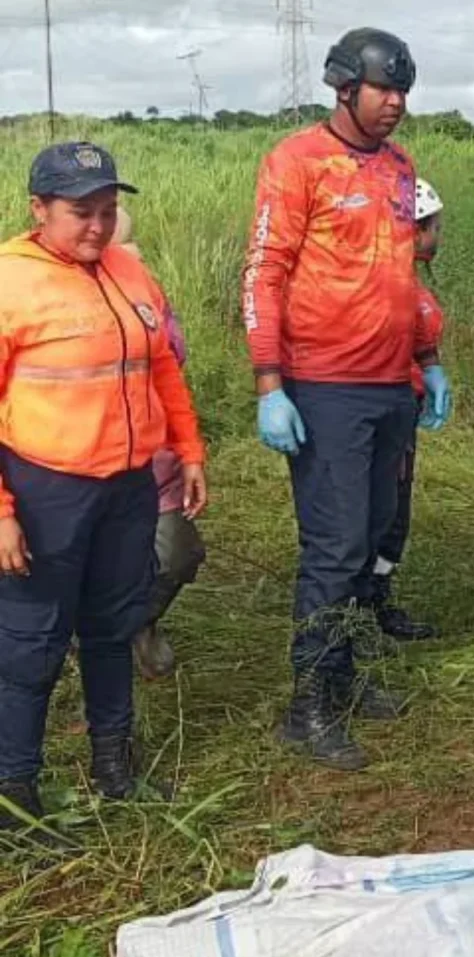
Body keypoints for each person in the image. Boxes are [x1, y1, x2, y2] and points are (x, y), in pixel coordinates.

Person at [242, 28, 450, 772]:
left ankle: (345, 676)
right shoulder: (296, 161)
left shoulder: (399, 165)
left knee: (369, 539)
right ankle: (308, 708)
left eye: (403, 91)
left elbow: (401, 275)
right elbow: (264, 272)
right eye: (383, 89)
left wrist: (425, 361)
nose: (395, 103)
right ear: (344, 87)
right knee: (332, 550)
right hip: (326, 386)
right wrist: (270, 384)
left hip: (391, 383)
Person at [0, 142, 207, 838]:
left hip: (126, 487)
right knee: (31, 643)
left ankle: (116, 770)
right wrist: (2, 512)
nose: (97, 225)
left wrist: (189, 449)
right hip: (44, 489)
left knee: (114, 627)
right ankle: (15, 795)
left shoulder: (128, 270)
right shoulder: (9, 280)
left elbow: (162, 369)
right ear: (39, 209)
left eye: (108, 210)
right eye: (80, 211)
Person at [110, 207, 206, 680]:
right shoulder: (36, 287)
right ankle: (99, 639)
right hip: (81, 463)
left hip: (156, 454)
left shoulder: (146, 288)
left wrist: (190, 451)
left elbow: (170, 365)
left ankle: (137, 623)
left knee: (179, 553)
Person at [370, 178, 448, 642]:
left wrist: (432, 368)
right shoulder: (383, 284)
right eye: (436, 227)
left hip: (406, 401)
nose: (439, 236)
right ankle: (362, 609)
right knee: (384, 512)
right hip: (386, 407)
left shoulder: (405, 280)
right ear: (416, 229)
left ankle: (376, 599)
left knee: (394, 511)